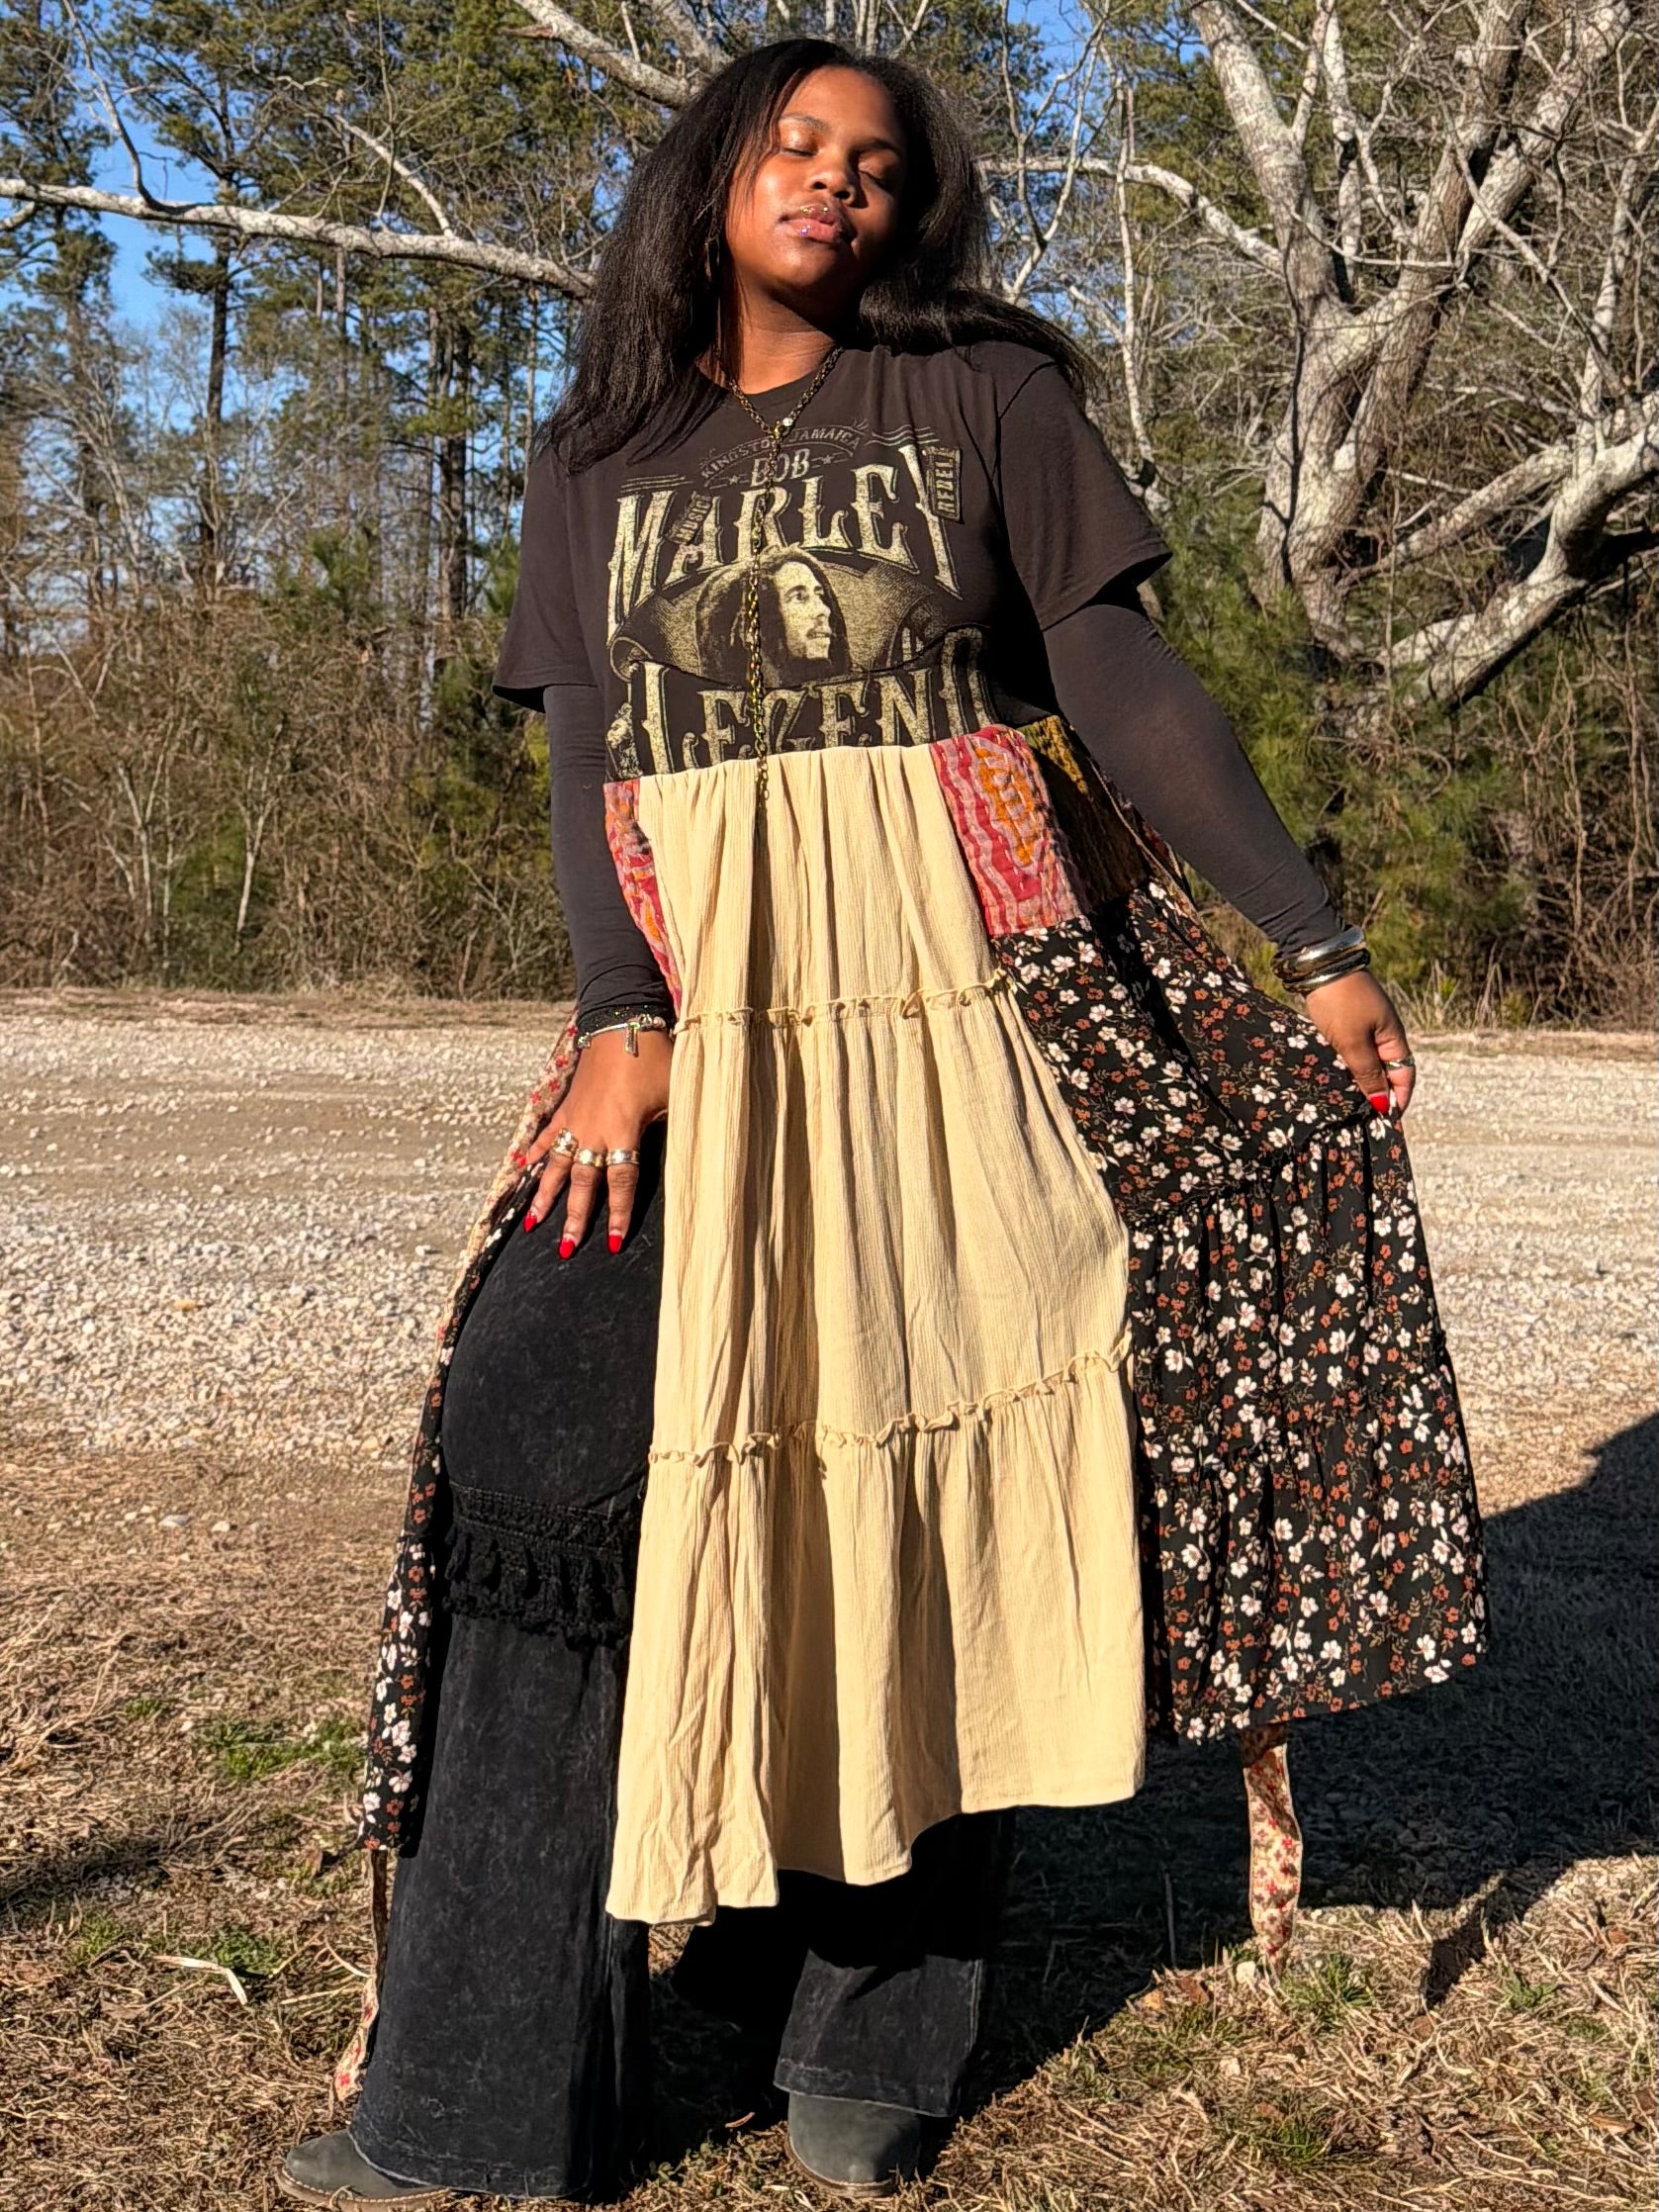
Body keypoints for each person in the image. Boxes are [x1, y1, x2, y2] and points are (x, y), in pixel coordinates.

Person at [280, 35, 1485, 2208]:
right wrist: (617, 1014)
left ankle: (870, 2014)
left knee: (943, 1443)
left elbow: (1117, 679)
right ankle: (479, 2084)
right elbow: (589, 766)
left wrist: (1310, 937)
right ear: (709, 169)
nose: (838, 180)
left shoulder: (981, 395)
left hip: (967, 990)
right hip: (706, 1001)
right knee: (543, 1432)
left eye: (879, 164)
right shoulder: (596, 454)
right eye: (798, 142)